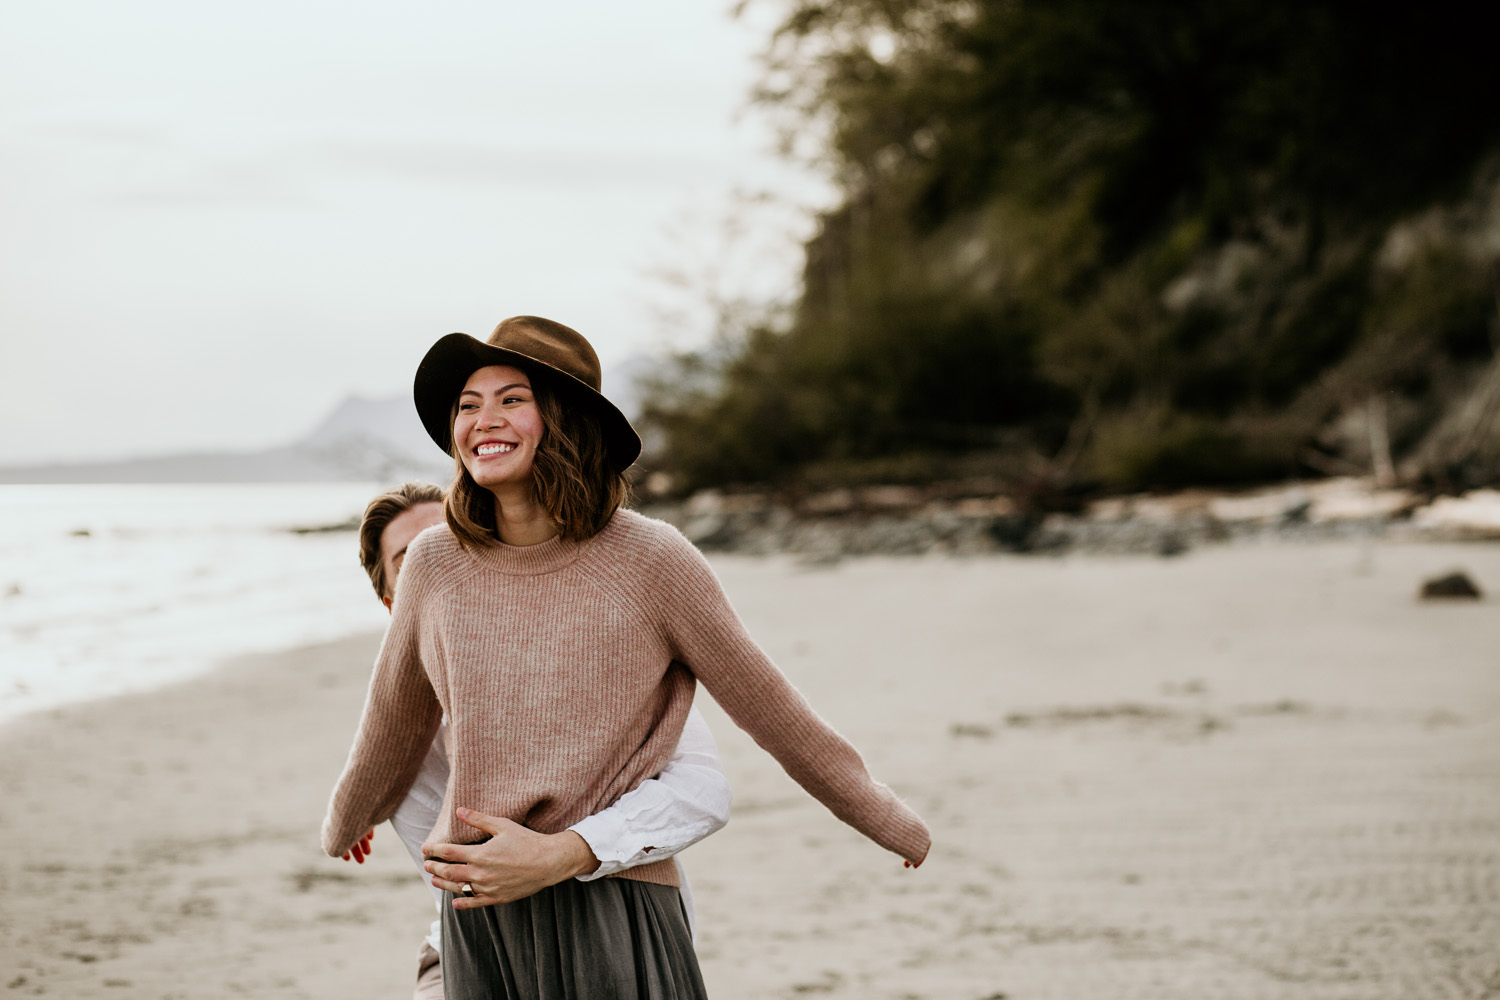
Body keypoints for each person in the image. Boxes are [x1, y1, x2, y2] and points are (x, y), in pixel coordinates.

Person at [323, 315, 930, 1000]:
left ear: (566, 418)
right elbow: (393, 722)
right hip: (480, 919)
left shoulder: (652, 559)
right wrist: (344, 821)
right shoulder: (435, 562)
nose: (482, 420)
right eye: (468, 405)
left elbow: (771, 709)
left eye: (512, 399)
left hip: (612, 909)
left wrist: (887, 820)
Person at [350, 481, 733, 1000]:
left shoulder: (603, 647)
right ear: (398, 601)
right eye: (415, 559)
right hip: (471, 951)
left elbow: (703, 790)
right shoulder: (403, 743)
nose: (441, 565)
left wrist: (568, 852)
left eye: (452, 542)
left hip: (627, 931)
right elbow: (452, 879)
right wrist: (359, 802)